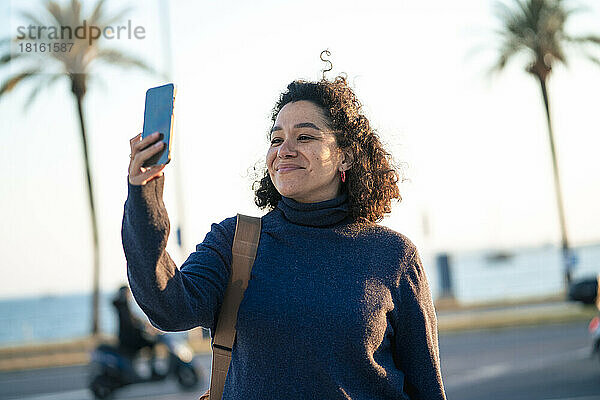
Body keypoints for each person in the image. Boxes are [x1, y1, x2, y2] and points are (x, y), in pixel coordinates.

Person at [122, 75, 447, 399]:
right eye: (276, 139)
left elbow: (426, 387)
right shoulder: (236, 241)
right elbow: (168, 307)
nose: (285, 150)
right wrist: (144, 195)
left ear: (345, 156)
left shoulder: (392, 254)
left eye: (304, 137)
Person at [111, 285, 160, 377]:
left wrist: (146, 324)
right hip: (129, 339)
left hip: (129, 337)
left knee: (151, 343)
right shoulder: (123, 306)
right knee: (152, 344)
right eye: (127, 293)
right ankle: (153, 370)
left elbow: (134, 319)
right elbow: (129, 323)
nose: (129, 295)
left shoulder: (123, 306)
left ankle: (151, 370)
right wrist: (142, 330)